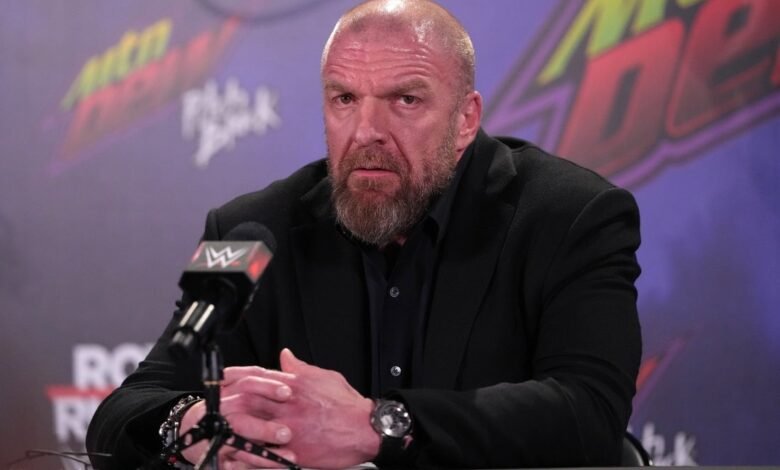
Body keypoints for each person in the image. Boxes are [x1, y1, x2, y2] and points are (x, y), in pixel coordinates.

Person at [87, 0, 642, 468]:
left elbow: (591, 414)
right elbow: (125, 409)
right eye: (345, 99)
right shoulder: (245, 231)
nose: (366, 132)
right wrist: (192, 425)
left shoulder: (574, 215)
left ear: (466, 120)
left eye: (406, 100)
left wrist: (380, 424)